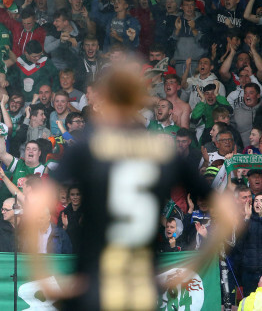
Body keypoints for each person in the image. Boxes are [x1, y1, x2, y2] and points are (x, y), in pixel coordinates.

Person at [23, 64, 238, 309]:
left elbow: (35, 204)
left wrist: (43, 276)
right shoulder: (162, 153)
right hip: (140, 291)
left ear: (105, 99)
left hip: (95, 287)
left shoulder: (89, 148)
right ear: (138, 99)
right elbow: (230, 214)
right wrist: (189, 269)